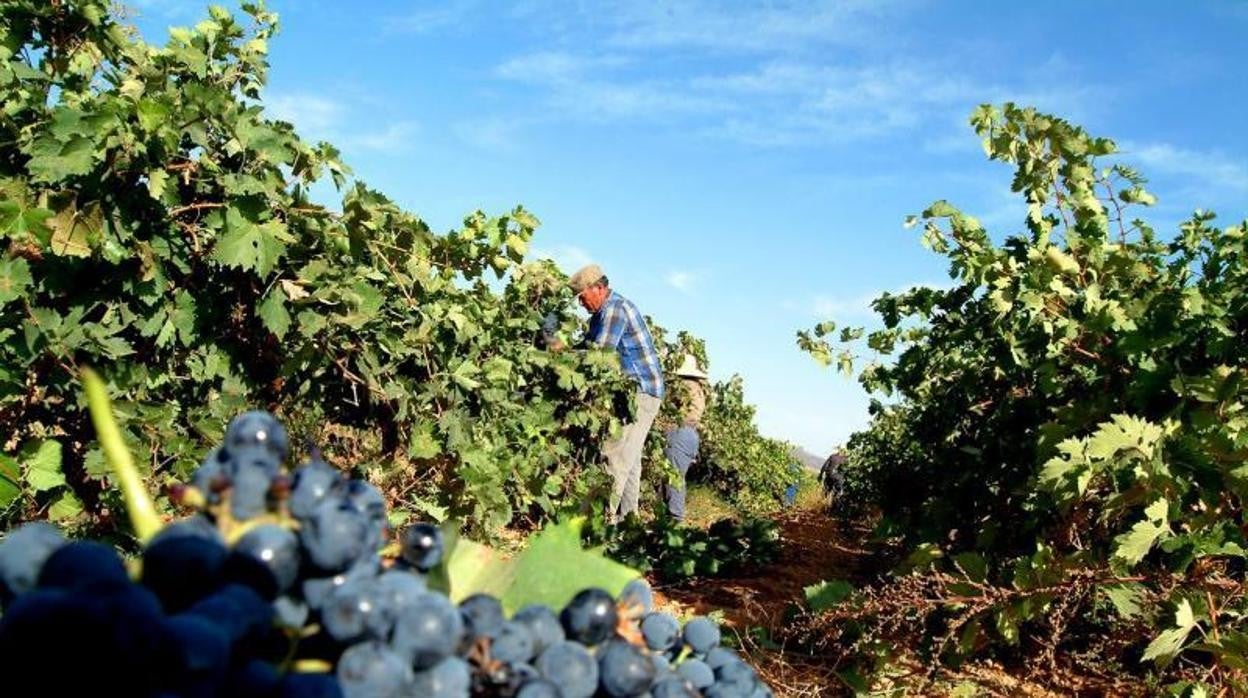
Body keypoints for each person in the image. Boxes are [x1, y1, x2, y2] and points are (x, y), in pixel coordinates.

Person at [565, 264, 665, 523]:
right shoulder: (599, 316)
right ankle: (627, 525)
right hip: (638, 392)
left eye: (582, 297)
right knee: (629, 462)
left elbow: (599, 356)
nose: (581, 304)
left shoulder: (615, 309)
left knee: (614, 457)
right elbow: (584, 347)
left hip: (640, 391)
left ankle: (598, 527)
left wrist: (559, 357)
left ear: (598, 288)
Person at [663, 354, 708, 522]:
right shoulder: (698, 388)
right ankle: (672, 520)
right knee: (676, 477)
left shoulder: (682, 386)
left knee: (673, 478)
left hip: (679, 433)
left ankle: (675, 522)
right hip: (691, 435)